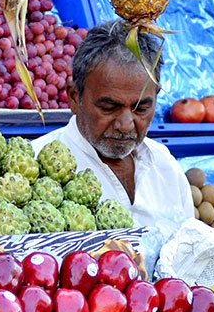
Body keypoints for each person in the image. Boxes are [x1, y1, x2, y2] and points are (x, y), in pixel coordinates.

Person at [34, 20, 191, 228]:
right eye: (109, 107)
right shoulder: (33, 166)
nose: (125, 125)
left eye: (141, 108)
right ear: (74, 98)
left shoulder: (164, 165)